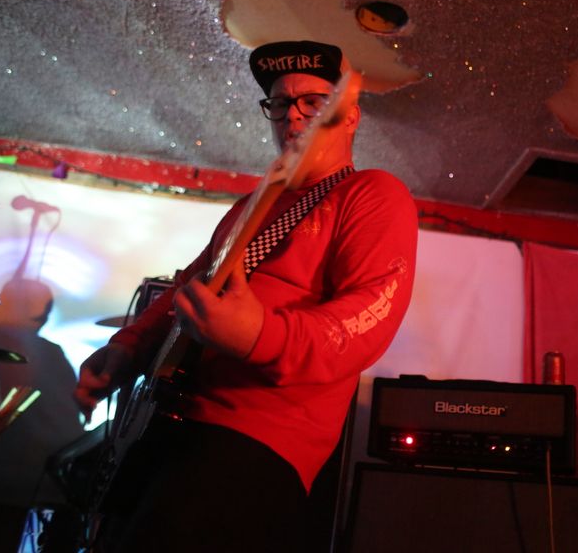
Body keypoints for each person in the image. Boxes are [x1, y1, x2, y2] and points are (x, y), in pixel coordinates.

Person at [74, 40, 418, 552]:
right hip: (165, 428)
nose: (292, 115)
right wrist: (128, 347)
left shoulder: (372, 193)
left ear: (350, 116)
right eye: (280, 103)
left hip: (255, 443)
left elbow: (368, 319)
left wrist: (258, 335)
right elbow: (188, 288)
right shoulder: (249, 208)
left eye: (313, 102)